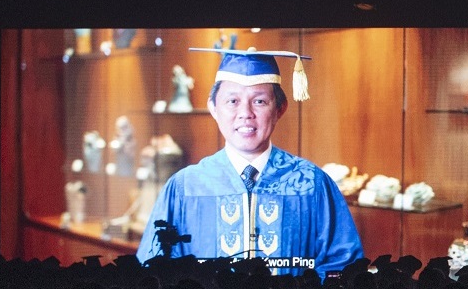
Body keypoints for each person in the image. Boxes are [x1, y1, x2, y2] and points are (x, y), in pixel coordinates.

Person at [137, 49, 363, 276]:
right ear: (213, 108)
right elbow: (153, 269)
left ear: (279, 109)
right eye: (232, 101)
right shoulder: (184, 186)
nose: (245, 113)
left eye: (260, 101)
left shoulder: (312, 183)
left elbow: (343, 267)